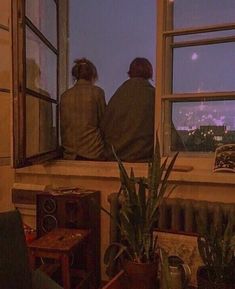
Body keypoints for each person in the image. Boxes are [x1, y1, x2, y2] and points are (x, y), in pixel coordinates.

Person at [101, 57, 155, 162]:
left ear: (130, 73)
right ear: (150, 73)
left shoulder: (118, 95)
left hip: (114, 158)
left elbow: (104, 125)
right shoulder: (153, 95)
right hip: (143, 159)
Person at [60, 58, 106, 160]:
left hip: (70, 155)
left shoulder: (64, 96)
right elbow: (104, 123)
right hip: (93, 153)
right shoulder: (97, 93)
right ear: (92, 75)